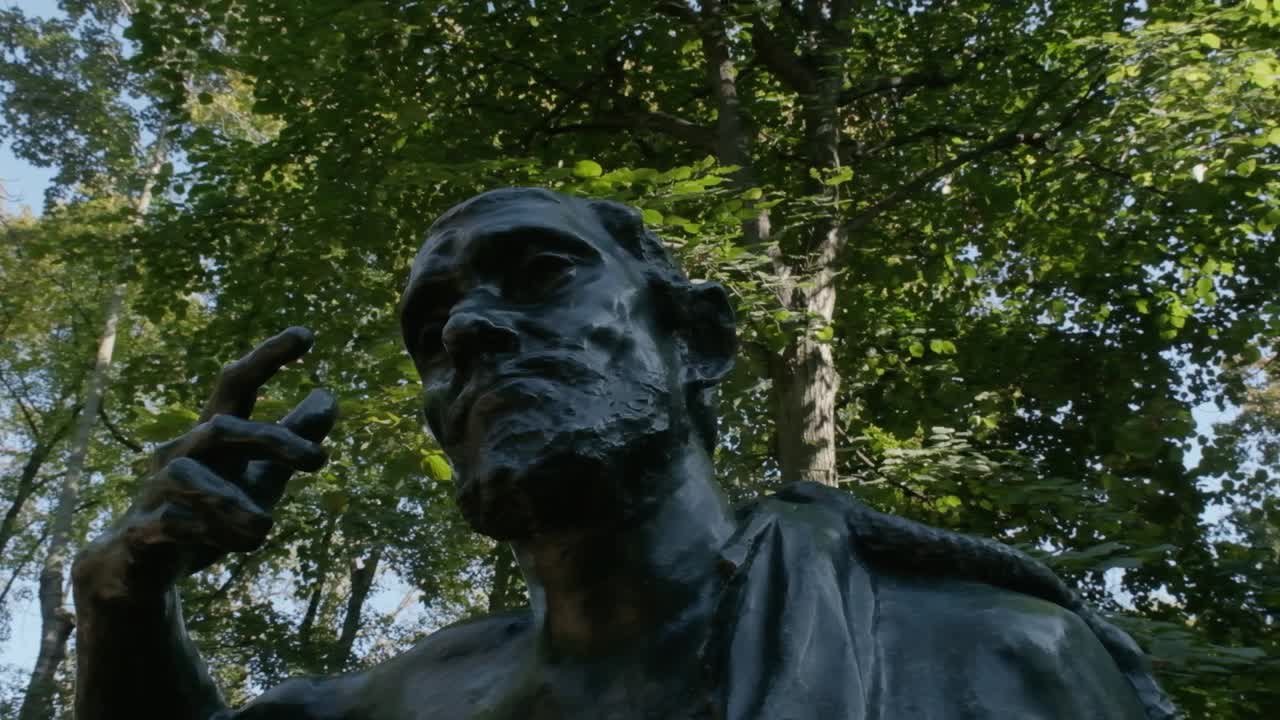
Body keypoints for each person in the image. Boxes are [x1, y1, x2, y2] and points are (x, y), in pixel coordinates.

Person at [72, 188, 1179, 719]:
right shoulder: (402, 707)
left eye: (540, 274)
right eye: (431, 327)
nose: (464, 331)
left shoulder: (988, 661)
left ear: (691, 341)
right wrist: (123, 598)